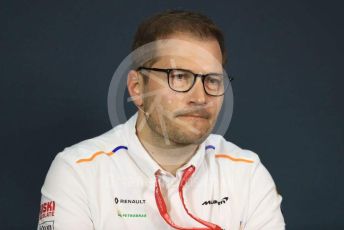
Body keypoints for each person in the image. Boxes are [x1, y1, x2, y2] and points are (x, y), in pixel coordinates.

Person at [37, 10, 285, 230]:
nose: (200, 97)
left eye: (212, 80)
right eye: (179, 77)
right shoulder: (78, 172)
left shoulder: (247, 174)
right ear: (137, 88)